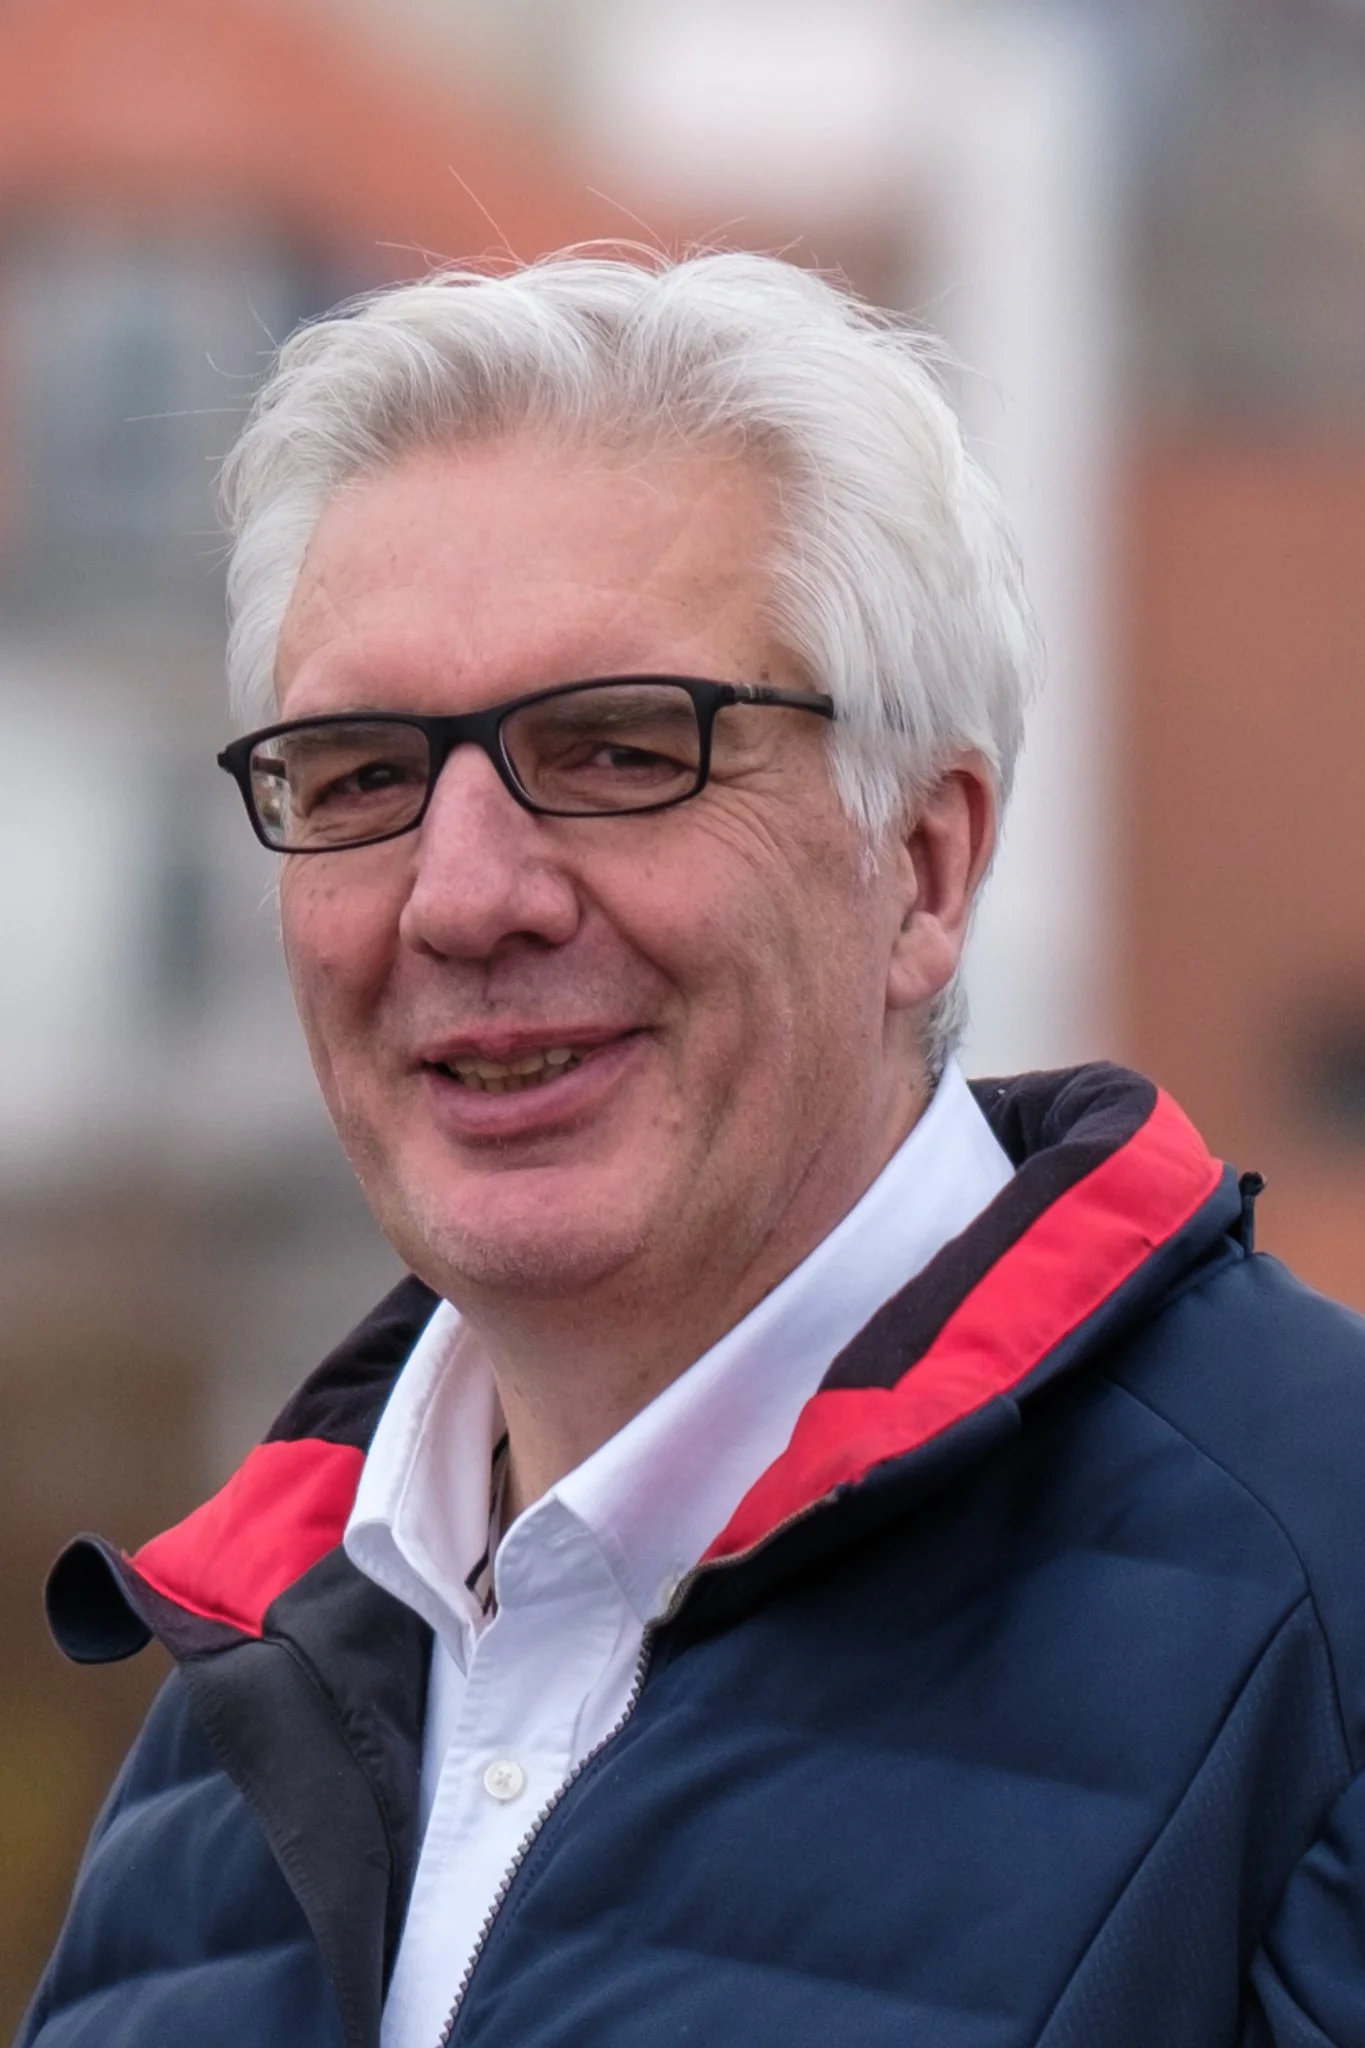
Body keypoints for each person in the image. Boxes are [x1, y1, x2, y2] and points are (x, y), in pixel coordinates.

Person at [21, 249, 1365, 2048]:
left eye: (616, 749)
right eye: (358, 776)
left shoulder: (1320, 1614)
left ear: (925, 867)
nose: (462, 897)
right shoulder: (219, 1748)